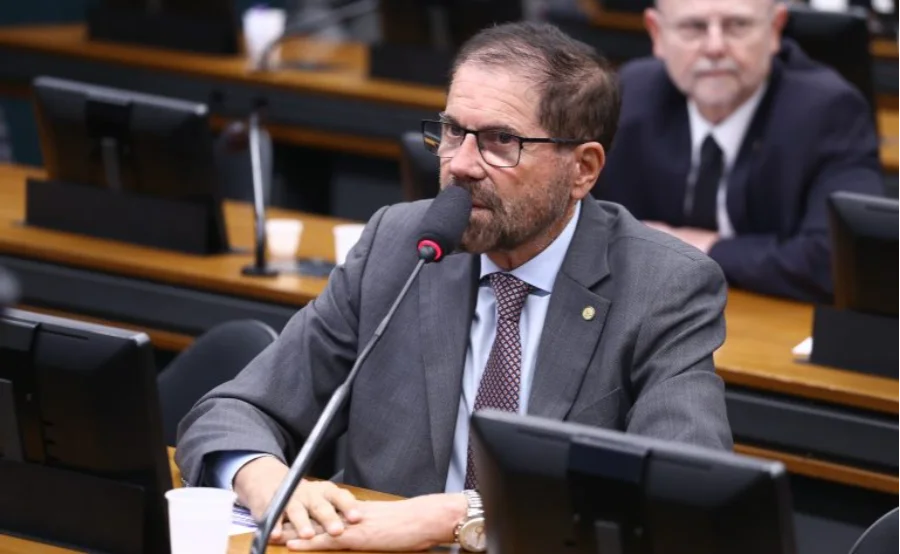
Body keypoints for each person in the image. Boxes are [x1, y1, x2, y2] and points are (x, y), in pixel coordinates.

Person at [175, 21, 732, 553]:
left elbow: (682, 495)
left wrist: (459, 515)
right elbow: (233, 410)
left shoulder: (663, 285)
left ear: (583, 168)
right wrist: (265, 477)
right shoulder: (402, 244)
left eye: (499, 141)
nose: (460, 164)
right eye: (451, 132)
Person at [595, 0, 884, 303]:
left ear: (775, 29)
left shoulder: (828, 111)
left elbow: (839, 260)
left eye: (737, 26)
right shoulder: (629, 97)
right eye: (693, 27)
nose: (715, 47)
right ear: (657, 33)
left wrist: (701, 248)